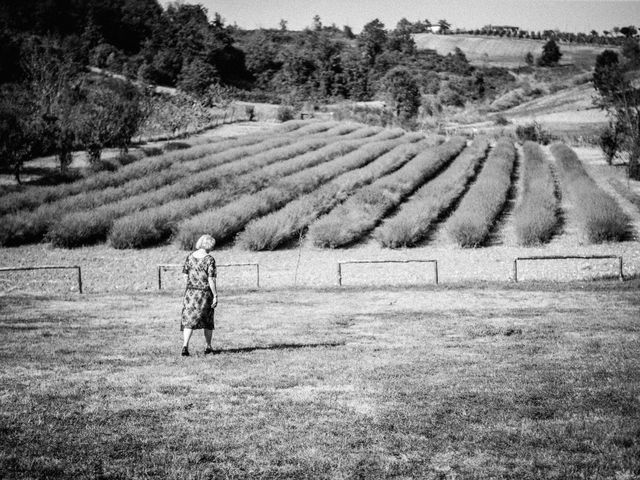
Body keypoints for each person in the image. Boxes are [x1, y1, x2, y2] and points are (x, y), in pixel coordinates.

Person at [180, 234, 218, 356]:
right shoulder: (209, 259)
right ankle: (208, 346)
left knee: (189, 320)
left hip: (190, 293)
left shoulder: (189, 257)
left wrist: (191, 286)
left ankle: (185, 346)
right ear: (209, 245)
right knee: (207, 320)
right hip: (205, 293)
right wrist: (215, 295)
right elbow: (211, 279)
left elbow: (185, 275)